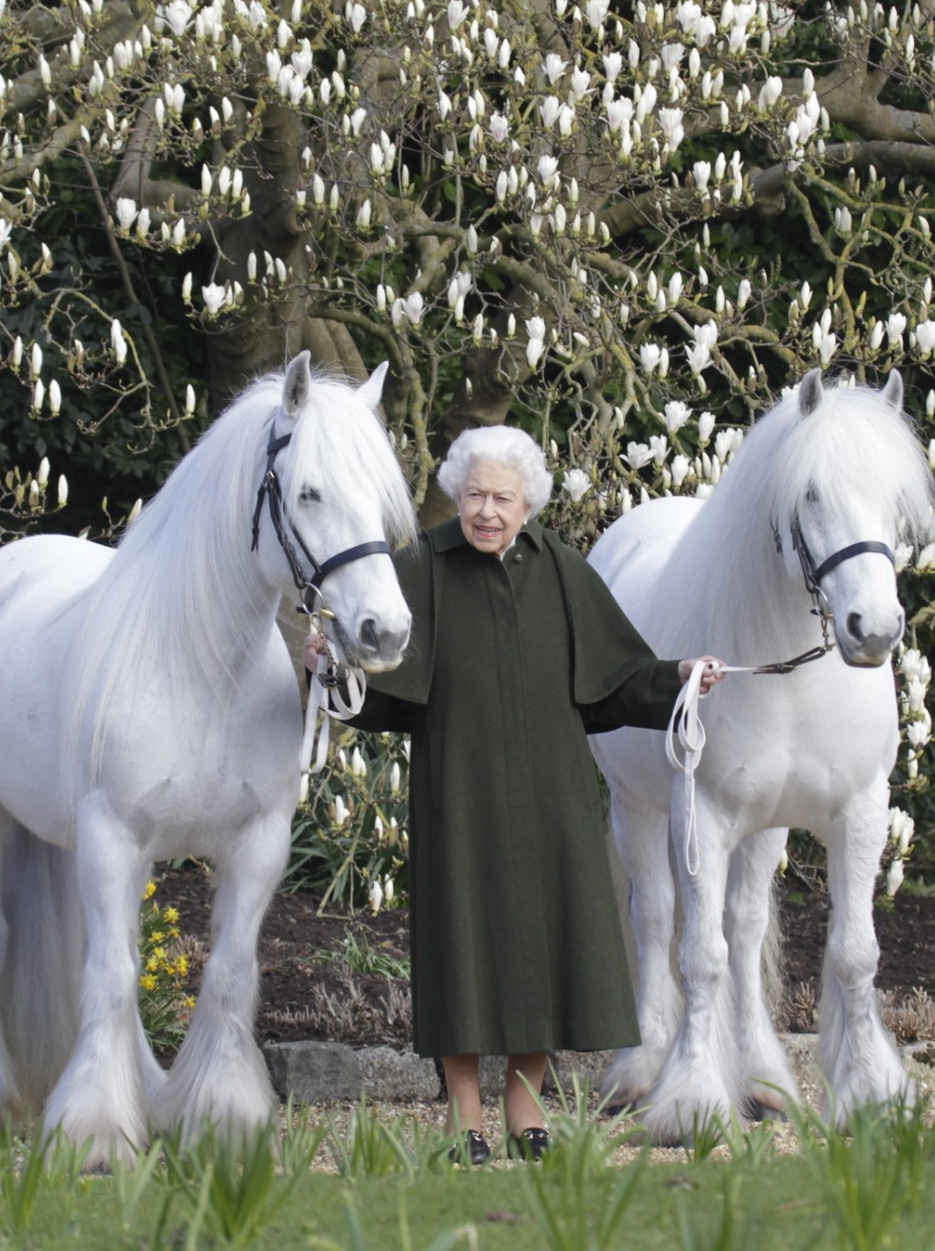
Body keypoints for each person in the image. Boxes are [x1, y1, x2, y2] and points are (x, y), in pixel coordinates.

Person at [306, 425, 723, 1164]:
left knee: (546, 946)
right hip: (455, 791)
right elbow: (380, 692)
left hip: (551, 794)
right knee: (460, 946)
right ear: (454, 498)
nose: (486, 512)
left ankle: (523, 1098)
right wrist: (329, 667)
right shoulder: (422, 569)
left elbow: (616, 681)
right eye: (473, 496)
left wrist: (682, 675)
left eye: (501, 497)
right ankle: (463, 1106)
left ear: (528, 502)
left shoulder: (561, 570)